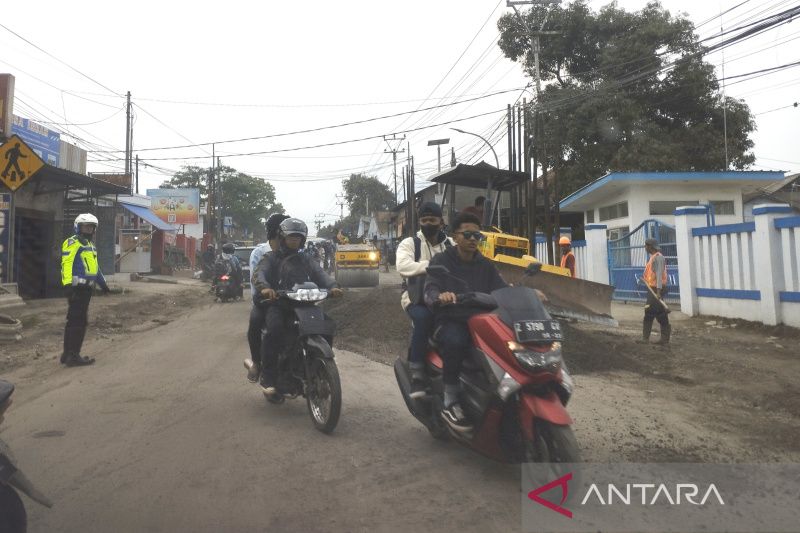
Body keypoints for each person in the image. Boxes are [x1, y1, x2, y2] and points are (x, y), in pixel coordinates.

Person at [424, 212, 507, 431]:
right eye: (467, 234)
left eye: (476, 235)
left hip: (482, 321)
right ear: (455, 236)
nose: (472, 239)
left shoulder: (485, 265)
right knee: (456, 341)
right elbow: (430, 287)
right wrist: (439, 297)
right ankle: (451, 399)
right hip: (451, 319)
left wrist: (527, 293)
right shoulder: (441, 261)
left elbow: (502, 290)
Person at [253, 218, 343, 398]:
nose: (294, 240)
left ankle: (319, 363)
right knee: (275, 329)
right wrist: (266, 288)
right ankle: (269, 377)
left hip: (304, 304)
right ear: (282, 237)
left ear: (302, 240)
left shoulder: (306, 259)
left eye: (298, 238)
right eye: (290, 237)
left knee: (326, 323)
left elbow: (320, 274)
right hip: (279, 304)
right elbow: (259, 273)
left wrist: (332, 286)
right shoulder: (271, 257)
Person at [396, 202, 453, 399]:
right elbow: (403, 266)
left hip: (447, 297)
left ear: (441, 222)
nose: (428, 223)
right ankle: (417, 373)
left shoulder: (451, 244)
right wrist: (431, 266)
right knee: (423, 319)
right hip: (416, 297)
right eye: (424, 220)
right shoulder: (410, 244)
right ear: (419, 222)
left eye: (433, 220)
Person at [60, 213, 111, 367]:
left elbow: (95, 269)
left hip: (87, 290)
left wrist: (103, 284)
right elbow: (66, 264)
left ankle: (67, 354)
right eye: (86, 226)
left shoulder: (90, 246)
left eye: (91, 227)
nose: (88, 229)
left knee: (75, 321)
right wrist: (67, 286)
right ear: (78, 227)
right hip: (77, 289)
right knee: (78, 322)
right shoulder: (72, 242)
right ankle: (73, 356)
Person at [245, 214, 290, 382]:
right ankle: (257, 362)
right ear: (277, 232)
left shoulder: (291, 251)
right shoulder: (259, 253)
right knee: (255, 321)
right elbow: (256, 279)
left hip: (289, 300)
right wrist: (266, 290)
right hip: (264, 301)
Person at [639, 238, 671, 345]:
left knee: (649, 312)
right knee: (660, 313)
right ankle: (664, 340)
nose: (645, 248)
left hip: (657, 289)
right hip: (652, 288)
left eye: (646, 246)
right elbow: (651, 275)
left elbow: (658, 276)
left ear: (650, 246)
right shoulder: (653, 258)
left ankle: (645, 339)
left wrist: (658, 292)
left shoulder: (658, 258)